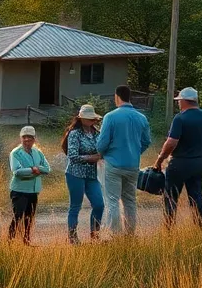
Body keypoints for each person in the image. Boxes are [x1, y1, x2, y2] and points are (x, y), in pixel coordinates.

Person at [154, 87, 202, 228]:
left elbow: (172, 142)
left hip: (178, 163)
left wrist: (160, 159)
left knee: (171, 198)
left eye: (179, 100)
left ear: (184, 101)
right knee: (196, 198)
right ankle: (201, 230)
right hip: (197, 165)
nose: (178, 103)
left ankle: (168, 230)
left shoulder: (180, 118)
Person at [95, 85, 152, 238]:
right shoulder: (141, 118)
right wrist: (135, 152)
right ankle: (129, 235)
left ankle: (115, 236)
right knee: (130, 201)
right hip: (133, 165)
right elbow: (146, 141)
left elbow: (101, 144)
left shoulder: (110, 117)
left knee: (112, 200)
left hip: (113, 164)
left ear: (117, 96)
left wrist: (103, 153)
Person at [62, 104, 105, 244]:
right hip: (75, 173)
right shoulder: (74, 134)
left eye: (92, 118)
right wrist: (91, 158)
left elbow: (103, 150)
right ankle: (73, 237)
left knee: (99, 204)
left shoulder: (97, 133)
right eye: (88, 118)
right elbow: (72, 156)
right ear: (81, 119)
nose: (91, 120)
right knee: (76, 205)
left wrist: (101, 156)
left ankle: (95, 236)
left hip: (91, 174)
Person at [8, 126, 51, 245]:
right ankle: (9, 242)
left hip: (33, 190)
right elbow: (17, 171)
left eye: (30, 137)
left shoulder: (38, 152)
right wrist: (33, 170)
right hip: (19, 190)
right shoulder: (15, 153)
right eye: (24, 137)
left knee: (29, 217)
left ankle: (26, 241)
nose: (27, 139)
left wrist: (36, 169)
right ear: (21, 138)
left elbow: (47, 169)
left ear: (34, 139)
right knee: (17, 216)